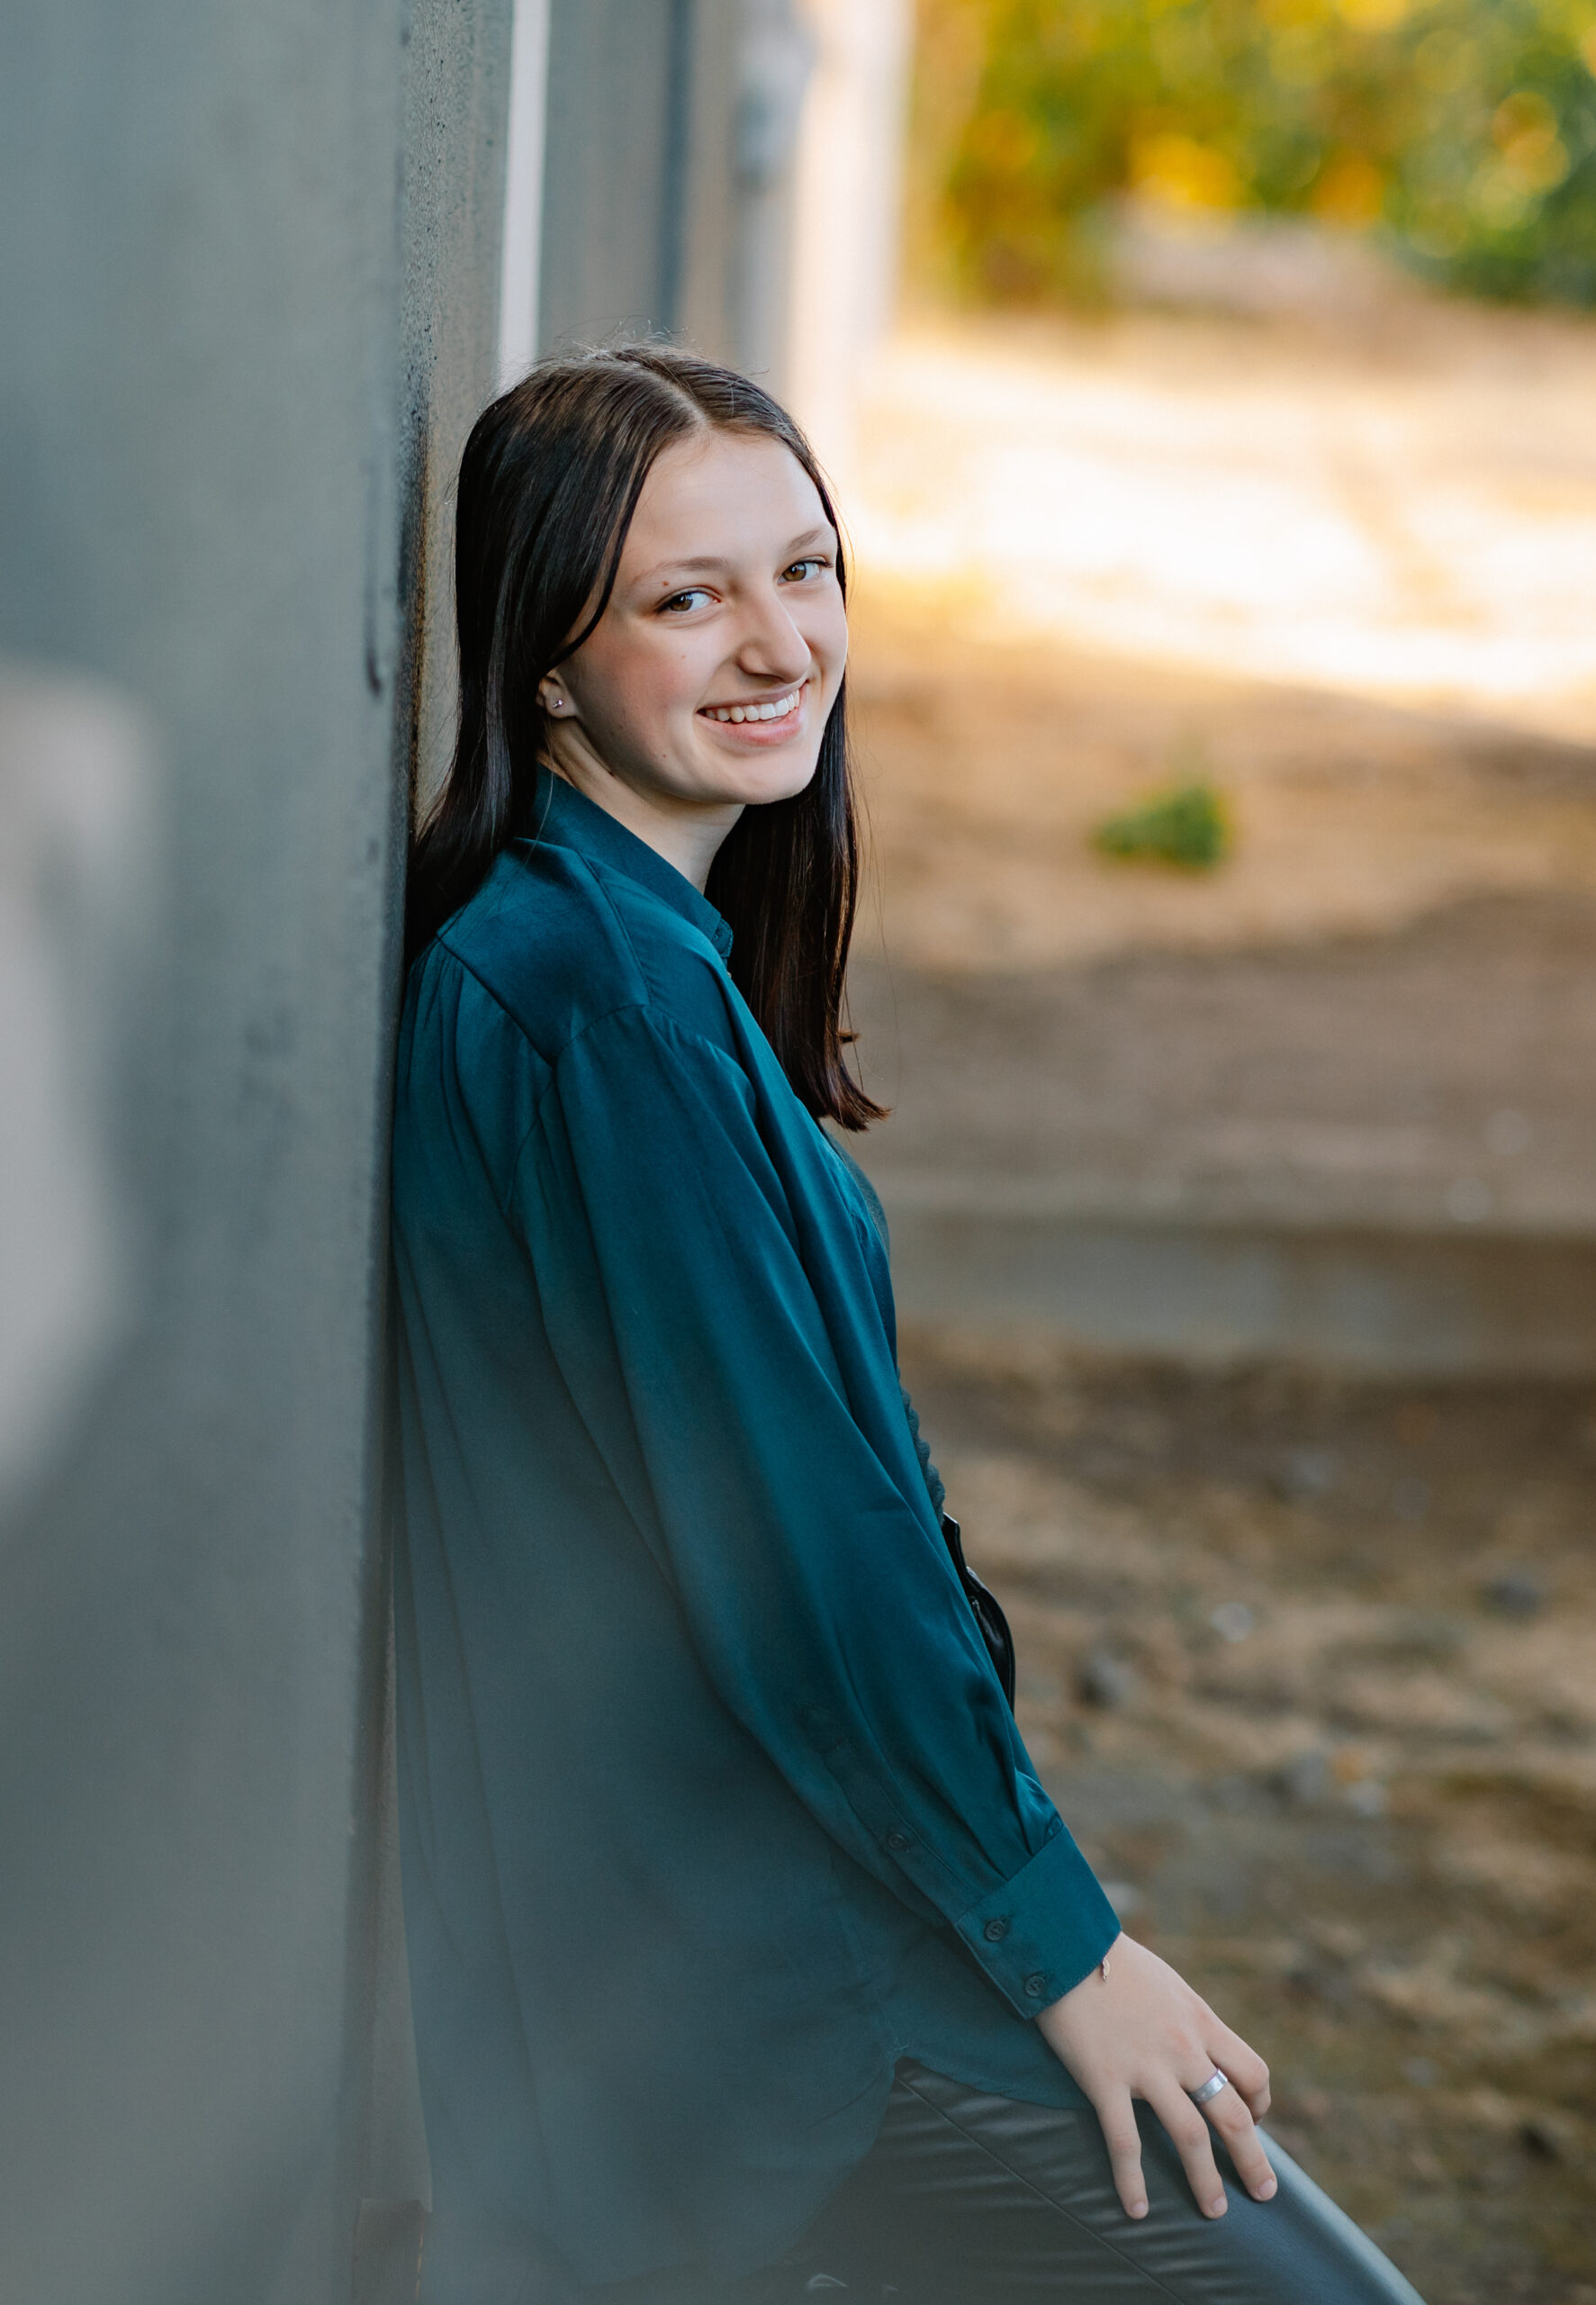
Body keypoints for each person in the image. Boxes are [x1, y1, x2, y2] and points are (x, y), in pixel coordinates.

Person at [391, 345, 1424, 2305]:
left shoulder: (632, 954)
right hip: (759, 1988)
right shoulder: (590, 1002)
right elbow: (798, 1555)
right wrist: (1063, 1947)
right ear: (544, 660)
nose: (778, 641)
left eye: (807, 570)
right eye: (687, 597)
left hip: (796, 1915)